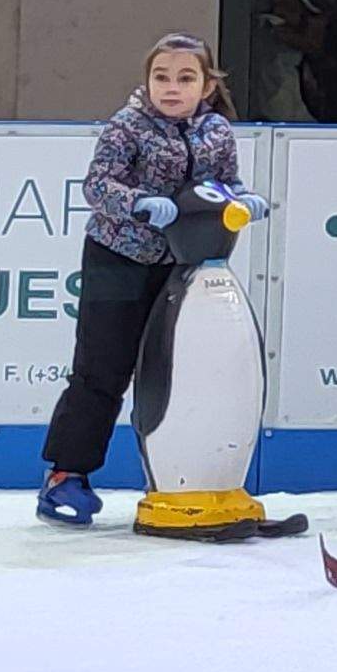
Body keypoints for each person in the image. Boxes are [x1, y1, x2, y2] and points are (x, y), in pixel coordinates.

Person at [38, 34, 254, 526]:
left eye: (185, 78)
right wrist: (135, 203)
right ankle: (65, 475)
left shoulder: (216, 131)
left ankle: (172, 473)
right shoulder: (126, 127)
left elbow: (226, 181)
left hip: (186, 265)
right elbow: (98, 185)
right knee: (102, 368)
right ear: (147, 80)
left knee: (177, 372)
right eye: (161, 77)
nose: (171, 87)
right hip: (120, 257)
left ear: (206, 84)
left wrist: (244, 199)